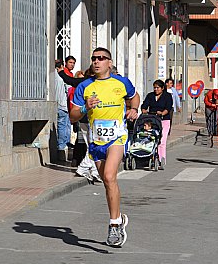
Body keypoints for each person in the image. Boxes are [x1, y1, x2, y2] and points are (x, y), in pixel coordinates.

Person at [70, 48, 140, 247]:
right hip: (95, 141)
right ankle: (119, 218)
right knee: (108, 182)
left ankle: (114, 224)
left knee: (109, 175)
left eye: (101, 58)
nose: (96, 61)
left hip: (117, 137)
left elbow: (134, 97)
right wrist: (85, 108)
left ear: (110, 62)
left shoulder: (121, 82)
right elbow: (73, 116)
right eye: (94, 58)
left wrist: (134, 109)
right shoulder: (84, 86)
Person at [140, 79, 173, 169]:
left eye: (157, 88)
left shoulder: (167, 96)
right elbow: (144, 105)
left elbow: (168, 107)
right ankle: (149, 157)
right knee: (150, 138)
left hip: (164, 120)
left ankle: (161, 159)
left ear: (162, 88)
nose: (156, 89)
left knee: (161, 141)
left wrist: (162, 113)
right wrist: (144, 110)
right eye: (154, 88)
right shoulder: (150, 96)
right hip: (152, 120)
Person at [54, 60, 71, 162]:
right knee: (63, 128)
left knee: (61, 127)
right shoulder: (62, 77)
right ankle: (62, 149)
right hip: (63, 105)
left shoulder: (53, 77)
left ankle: (62, 148)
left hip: (57, 104)